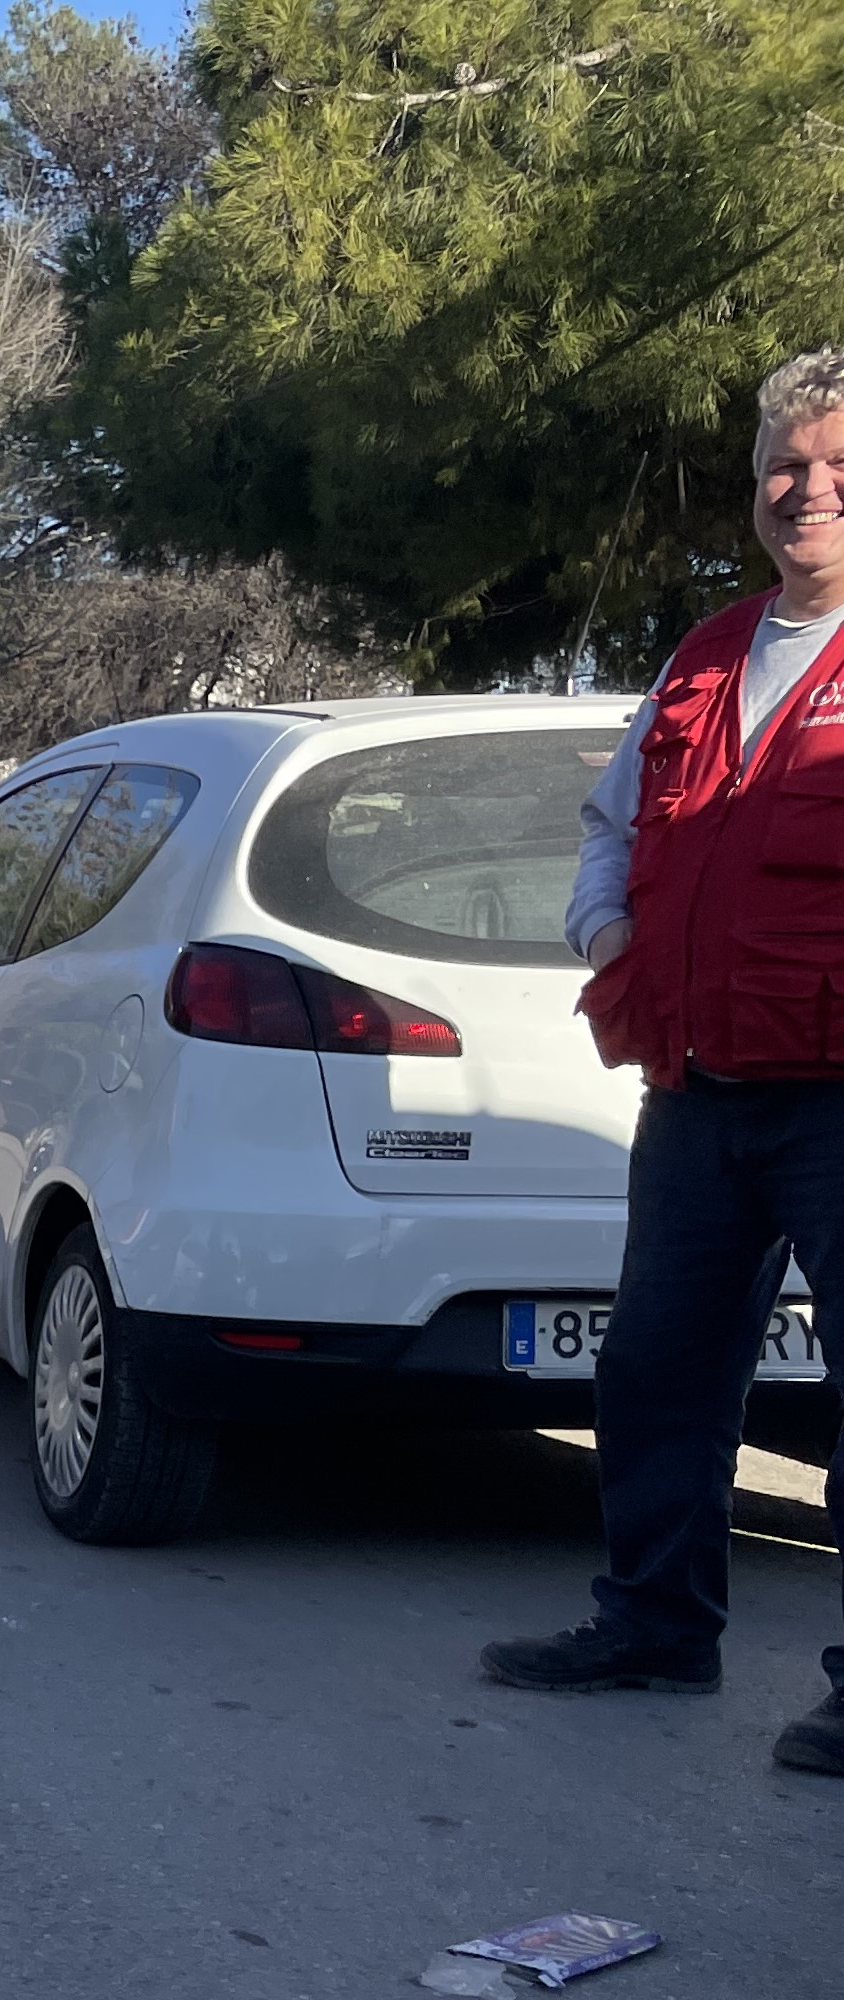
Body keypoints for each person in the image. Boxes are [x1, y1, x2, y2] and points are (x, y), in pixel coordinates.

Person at [484, 343, 844, 1777]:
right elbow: (609, 825)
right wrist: (608, 936)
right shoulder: (704, 657)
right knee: (658, 1368)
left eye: (835, 466)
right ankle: (654, 1625)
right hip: (699, 1090)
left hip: (836, 1093)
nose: (805, 489)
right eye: (785, 464)